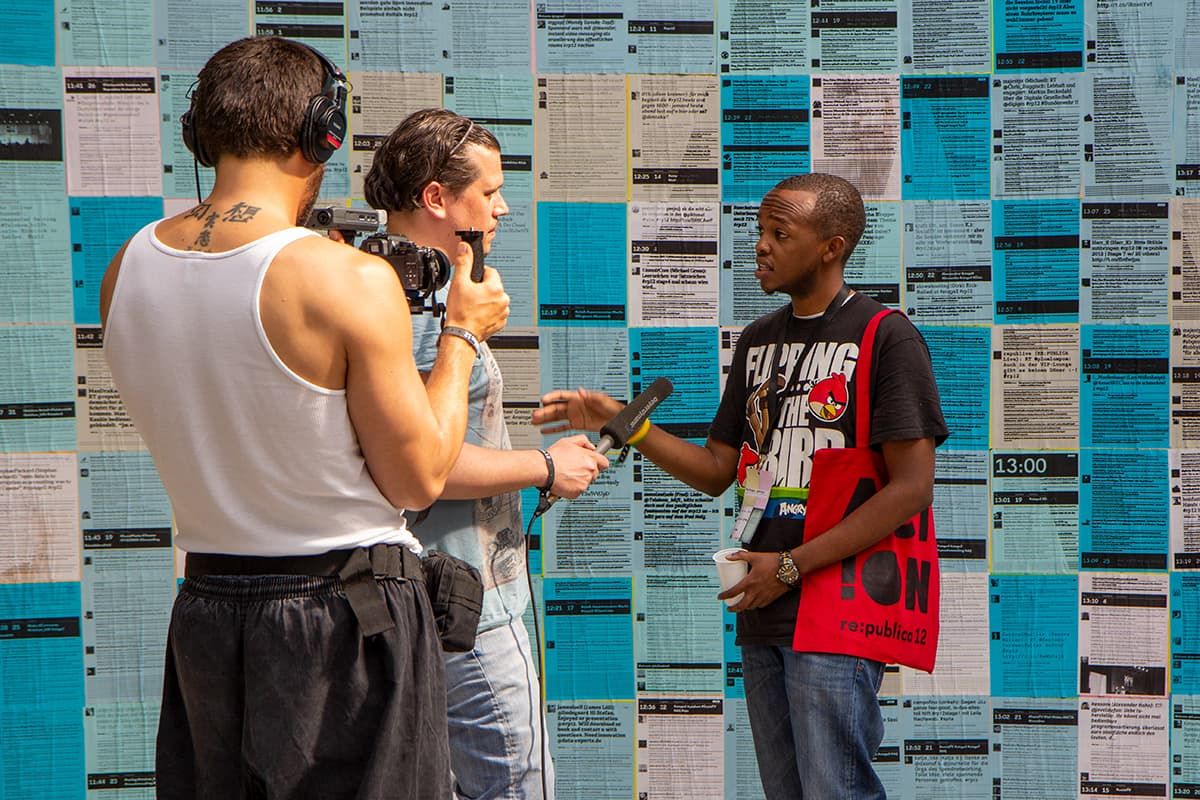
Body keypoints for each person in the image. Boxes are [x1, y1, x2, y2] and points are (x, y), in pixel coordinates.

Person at [99, 38, 510, 799]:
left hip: (207, 610)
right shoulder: (342, 278)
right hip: (345, 619)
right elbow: (417, 476)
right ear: (324, 131)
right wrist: (460, 334)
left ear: (199, 133)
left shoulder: (126, 266)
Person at [534, 173, 947, 799]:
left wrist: (789, 565)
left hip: (835, 609)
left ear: (832, 247)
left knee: (837, 791)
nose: (760, 245)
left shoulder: (886, 337)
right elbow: (717, 470)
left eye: (780, 233)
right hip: (763, 604)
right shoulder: (757, 340)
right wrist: (623, 421)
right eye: (759, 230)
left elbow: (912, 488)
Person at [364, 108, 609, 800]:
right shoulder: (410, 307)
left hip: (461, 595)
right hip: (459, 604)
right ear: (437, 198)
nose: (503, 207)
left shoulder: (433, 291)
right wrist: (544, 466)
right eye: (490, 191)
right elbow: (418, 466)